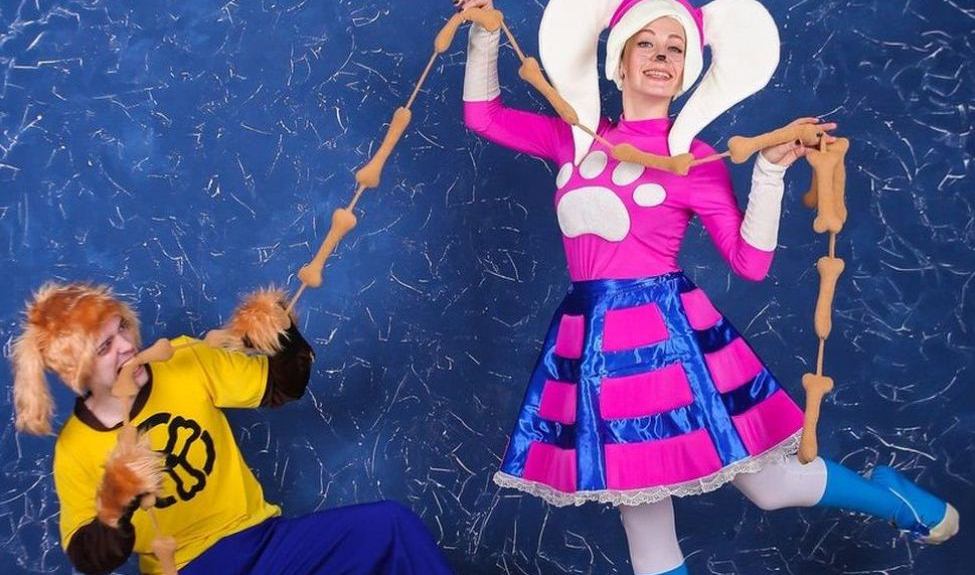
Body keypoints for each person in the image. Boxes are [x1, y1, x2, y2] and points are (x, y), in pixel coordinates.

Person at [454, 0, 960, 573]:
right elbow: (484, 117)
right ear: (619, 61)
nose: (661, 56)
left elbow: (750, 263)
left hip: (668, 342)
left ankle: (895, 500)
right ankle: (894, 496)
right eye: (646, 44)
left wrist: (769, 172)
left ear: (687, 70)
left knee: (770, 487)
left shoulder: (695, 160)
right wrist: (485, 34)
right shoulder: (574, 138)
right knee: (643, 521)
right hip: (594, 345)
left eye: (675, 48)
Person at [11, 282, 455, 575]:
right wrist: (114, 504)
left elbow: (283, 387)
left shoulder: (185, 360)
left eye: (123, 327)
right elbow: (88, 557)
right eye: (106, 345)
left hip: (263, 541)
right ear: (78, 370)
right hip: (186, 567)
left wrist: (279, 333)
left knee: (392, 527)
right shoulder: (74, 448)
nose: (128, 345)